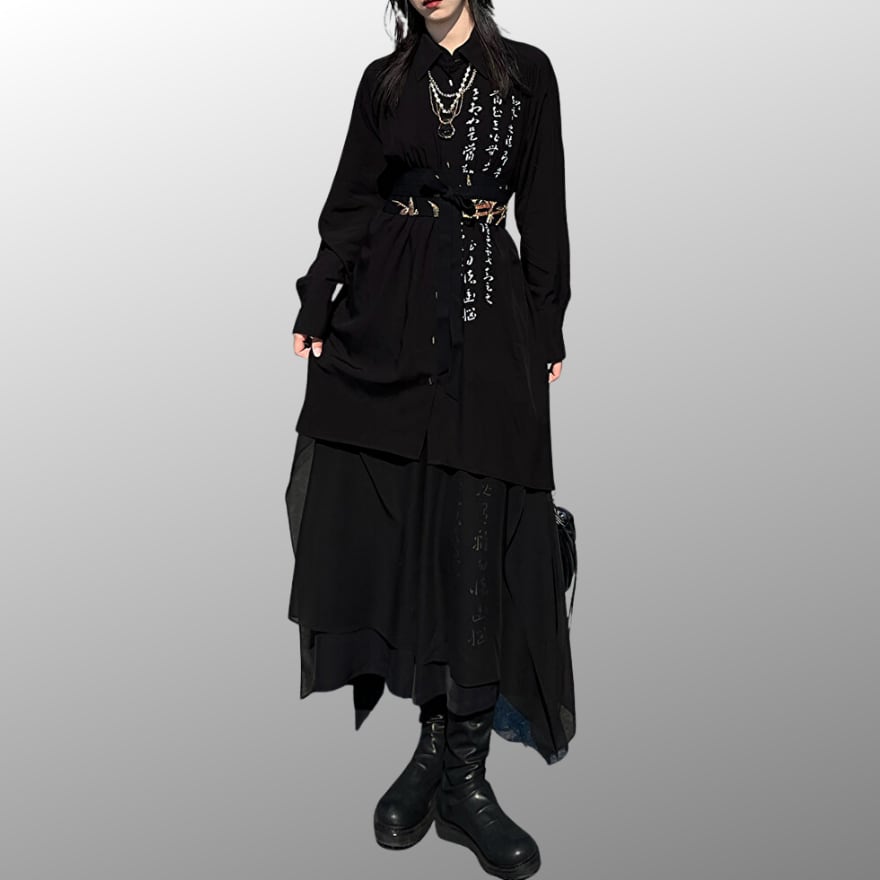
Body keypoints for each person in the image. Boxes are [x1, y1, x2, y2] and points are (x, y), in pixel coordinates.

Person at [284, 1, 575, 877]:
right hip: (392, 318)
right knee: (412, 531)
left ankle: (466, 781)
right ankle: (434, 752)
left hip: (488, 326)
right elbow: (353, 196)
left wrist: (547, 323)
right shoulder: (386, 82)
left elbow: (546, 205)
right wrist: (318, 295)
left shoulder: (527, 74)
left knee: (477, 540)